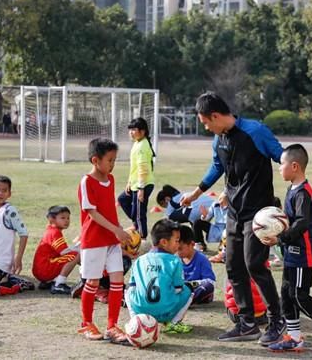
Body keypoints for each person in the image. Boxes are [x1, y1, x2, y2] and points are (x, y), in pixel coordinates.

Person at [180, 92, 285, 345]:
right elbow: (218, 166)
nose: (207, 128)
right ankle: (246, 323)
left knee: (255, 265)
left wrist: (295, 186)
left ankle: (277, 320)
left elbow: (281, 156)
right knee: (233, 265)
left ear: (215, 116)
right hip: (234, 212)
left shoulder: (255, 131)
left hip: (259, 213)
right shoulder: (219, 139)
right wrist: (196, 193)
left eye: (206, 122)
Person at [262, 144, 312, 352]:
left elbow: (302, 223)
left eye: (281, 164)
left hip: (303, 253)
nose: (279, 168)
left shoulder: (303, 193)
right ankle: (294, 338)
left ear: (295, 166)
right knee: (287, 295)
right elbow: (289, 220)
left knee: (300, 295)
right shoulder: (292, 189)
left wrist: (279, 238)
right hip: (292, 252)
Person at [76, 138, 130, 343]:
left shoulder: (111, 179)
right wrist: (116, 229)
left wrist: (121, 231)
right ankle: (86, 323)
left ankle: (112, 326)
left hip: (112, 241)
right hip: (93, 240)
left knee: (117, 282)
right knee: (93, 282)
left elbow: (109, 210)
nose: (112, 164)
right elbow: (92, 213)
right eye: (110, 160)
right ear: (95, 160)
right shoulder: (87, 182)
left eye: (115, 160)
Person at [125, 219, 193, 334]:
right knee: (189, 289)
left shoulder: (139, 260)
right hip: (166, 312)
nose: (178, 244)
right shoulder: (174, 261)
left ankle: (135, 320)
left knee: (127, 289)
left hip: (141, 310)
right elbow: (178, 289)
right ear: (164, 242)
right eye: (176, 241)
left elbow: (132, 286)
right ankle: (174, 323)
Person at [117, 118, 156, 239]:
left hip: (143, 185)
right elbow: (134, 167)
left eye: (134, 130)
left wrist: (141, 188)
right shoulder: (137, 143)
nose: (131, 132)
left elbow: (143, 168)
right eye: (130, 130)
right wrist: (129, 182)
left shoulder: (142, 146)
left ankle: (142, 237)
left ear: (142, 131)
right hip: (135, 184)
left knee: (139, 213)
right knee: (122, 199)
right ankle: (137, 225)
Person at [32, 206, 80, 294]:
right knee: (76, 254)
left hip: (40, 270)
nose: (66, 220)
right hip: (44, 270)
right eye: (62, 218)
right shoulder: (54, 232)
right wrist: (79, 246)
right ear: (51, 219)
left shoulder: (51, 230)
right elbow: (63, 251)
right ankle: (59, 284)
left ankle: (48, 282)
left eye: (68, 218)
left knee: (76, 252)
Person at [156, 185, 214, 251]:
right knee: (195, 222)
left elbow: (167, 219)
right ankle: (200, 243)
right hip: (211, 206)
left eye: (163, 205)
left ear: (166, 199)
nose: (165, 208)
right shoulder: (182, 195)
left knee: (172, 220)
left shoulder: (172, 202)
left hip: (199, 209)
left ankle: (194, 242)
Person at [178, 225, 216, 305]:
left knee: (208, 286)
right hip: (182, 290)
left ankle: (187, 301)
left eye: (180, 249)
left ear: (192, 244)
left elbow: (210, 281)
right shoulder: (175, 260)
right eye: (176, 248)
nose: (178, 252)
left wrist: (191, 284)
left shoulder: (202, 259)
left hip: (197, 290)